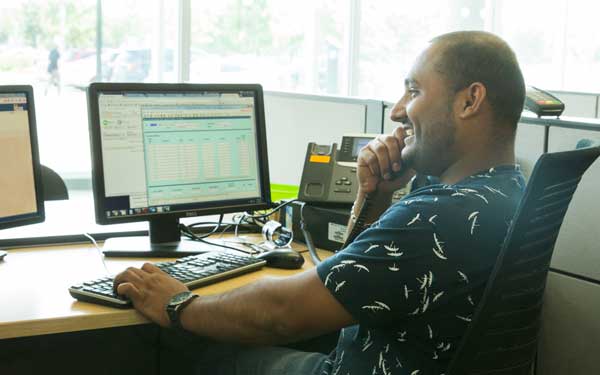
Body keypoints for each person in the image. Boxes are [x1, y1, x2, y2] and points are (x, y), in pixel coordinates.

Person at [113, 30, 526, 375]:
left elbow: (280, 314)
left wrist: (179, 303)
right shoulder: (507, 191)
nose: (398, 110)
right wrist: (374, 194)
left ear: (469, 101)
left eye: (414, 91)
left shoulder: (438, 214)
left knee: (179, 346)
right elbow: (347, 282)